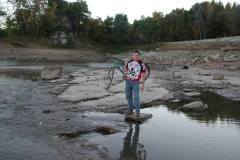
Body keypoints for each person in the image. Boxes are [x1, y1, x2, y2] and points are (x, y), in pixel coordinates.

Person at [125, 50, 146, 116]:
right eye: (135, 55)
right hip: (128, 81)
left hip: (135, 82)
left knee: (136, 97)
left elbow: (143, 74)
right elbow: (126, 69)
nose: (136, 56)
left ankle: (137, 111)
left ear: (139, 56)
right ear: (133, 56)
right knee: (128, 96)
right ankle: (130, 109)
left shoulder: (141, 64)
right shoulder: (129, 62)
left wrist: (143, 84)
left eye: (137, 55)